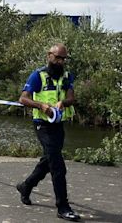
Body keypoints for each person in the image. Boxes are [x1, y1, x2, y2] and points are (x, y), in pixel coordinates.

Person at [17, 43, 80, 221]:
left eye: (63, 59)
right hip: (42, 125)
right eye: (57, 58)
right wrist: (41, 106)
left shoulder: (67, 76)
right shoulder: (38, 76)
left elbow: (71, 97)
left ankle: (26, 186)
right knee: (58, 165)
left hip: (58, 124)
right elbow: (23, 98)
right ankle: (63, 207)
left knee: (49, 160)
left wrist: (63, 103)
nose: (60, 61)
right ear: (49, 56)